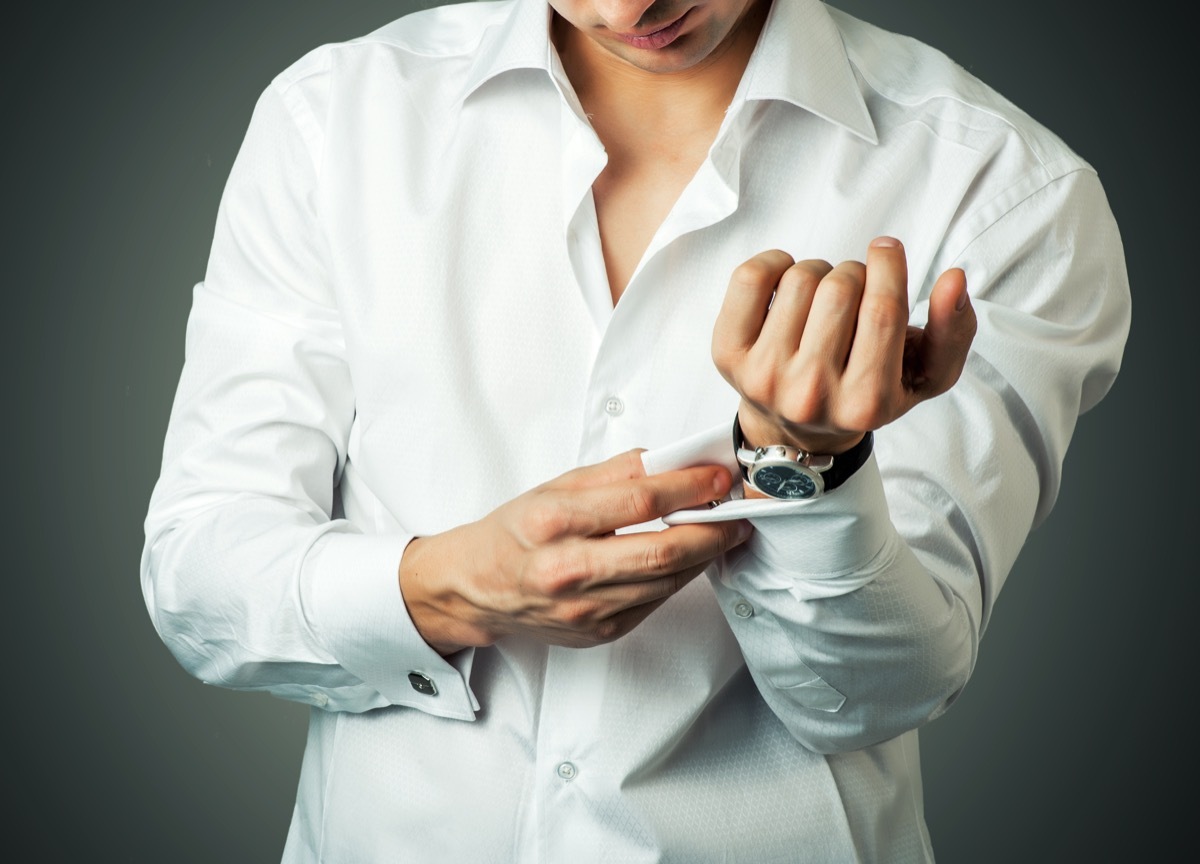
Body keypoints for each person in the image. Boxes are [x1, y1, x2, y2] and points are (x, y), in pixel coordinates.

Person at [139, 0, 1130, 861]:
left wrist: (805, 463)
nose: (624, 8)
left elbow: (876, 693)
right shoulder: (335, 120)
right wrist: (446, 586)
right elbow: (201, 570)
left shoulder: (1006, 198)